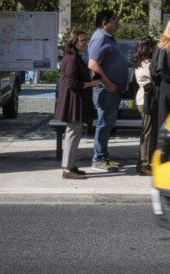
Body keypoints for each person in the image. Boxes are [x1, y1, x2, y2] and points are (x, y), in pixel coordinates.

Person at [87, 10, 129, 172]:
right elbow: (92, 64)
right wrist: (108, 84)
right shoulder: (99, 38)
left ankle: (103, 156)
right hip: (106, 91)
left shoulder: (107, 38)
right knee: (104, 123)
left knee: (107, 123)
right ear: (105, 23)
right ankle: (98, 159)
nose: (117, 22)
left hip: (112, 91)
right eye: (114, 19)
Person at [54, 30, 98, 179]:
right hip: (73, 104)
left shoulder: (75, 58)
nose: (85, 43)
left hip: (77, 103)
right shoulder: (71, 59)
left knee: (75, 135)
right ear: (74, 42)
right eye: (82, 40)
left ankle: (71, 165)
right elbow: (72, 83)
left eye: (86, 40)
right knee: (72, 136)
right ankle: (67, 169)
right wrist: (91, 83)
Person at [133, 36, 157, 176]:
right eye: (153, 46)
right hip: (146, 100)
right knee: (147, 132)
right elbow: (156, 75)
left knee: (148, 131)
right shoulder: (146, 65)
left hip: (144, 99)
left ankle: (144, 162)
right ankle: (143, 164)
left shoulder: (141, 63)